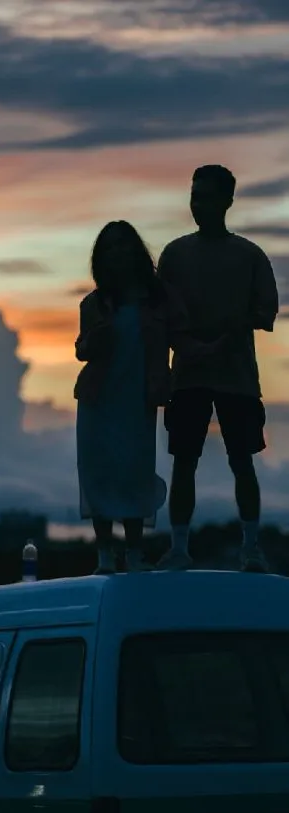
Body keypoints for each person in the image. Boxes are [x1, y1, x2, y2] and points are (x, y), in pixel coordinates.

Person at [74, 220, 228, 574]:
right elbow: (82, 350)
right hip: (98, 399)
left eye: (124, 245)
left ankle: (134, 553)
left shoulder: (159, 299)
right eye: (110, 247)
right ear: (102, 257)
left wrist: (213, 349)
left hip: (138, 399)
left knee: (134, 471)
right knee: (98, 473)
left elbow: (183, 339)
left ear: (136, 251)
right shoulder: (95, 303)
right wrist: (97, 338)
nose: (118, 253)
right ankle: (104, 556)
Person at [157, 165, 279, 573]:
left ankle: (251, 547)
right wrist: (188, 347)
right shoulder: (174, 254)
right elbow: (162, 315)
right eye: (195, 196)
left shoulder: (249, 255)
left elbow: (265, 311)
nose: (199, 205)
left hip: (237, 376)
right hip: (189, 374)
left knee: (241, 460)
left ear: (228, 200)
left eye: (208, 196)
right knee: (183, 461)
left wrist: (225, 338)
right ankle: (178, 548)